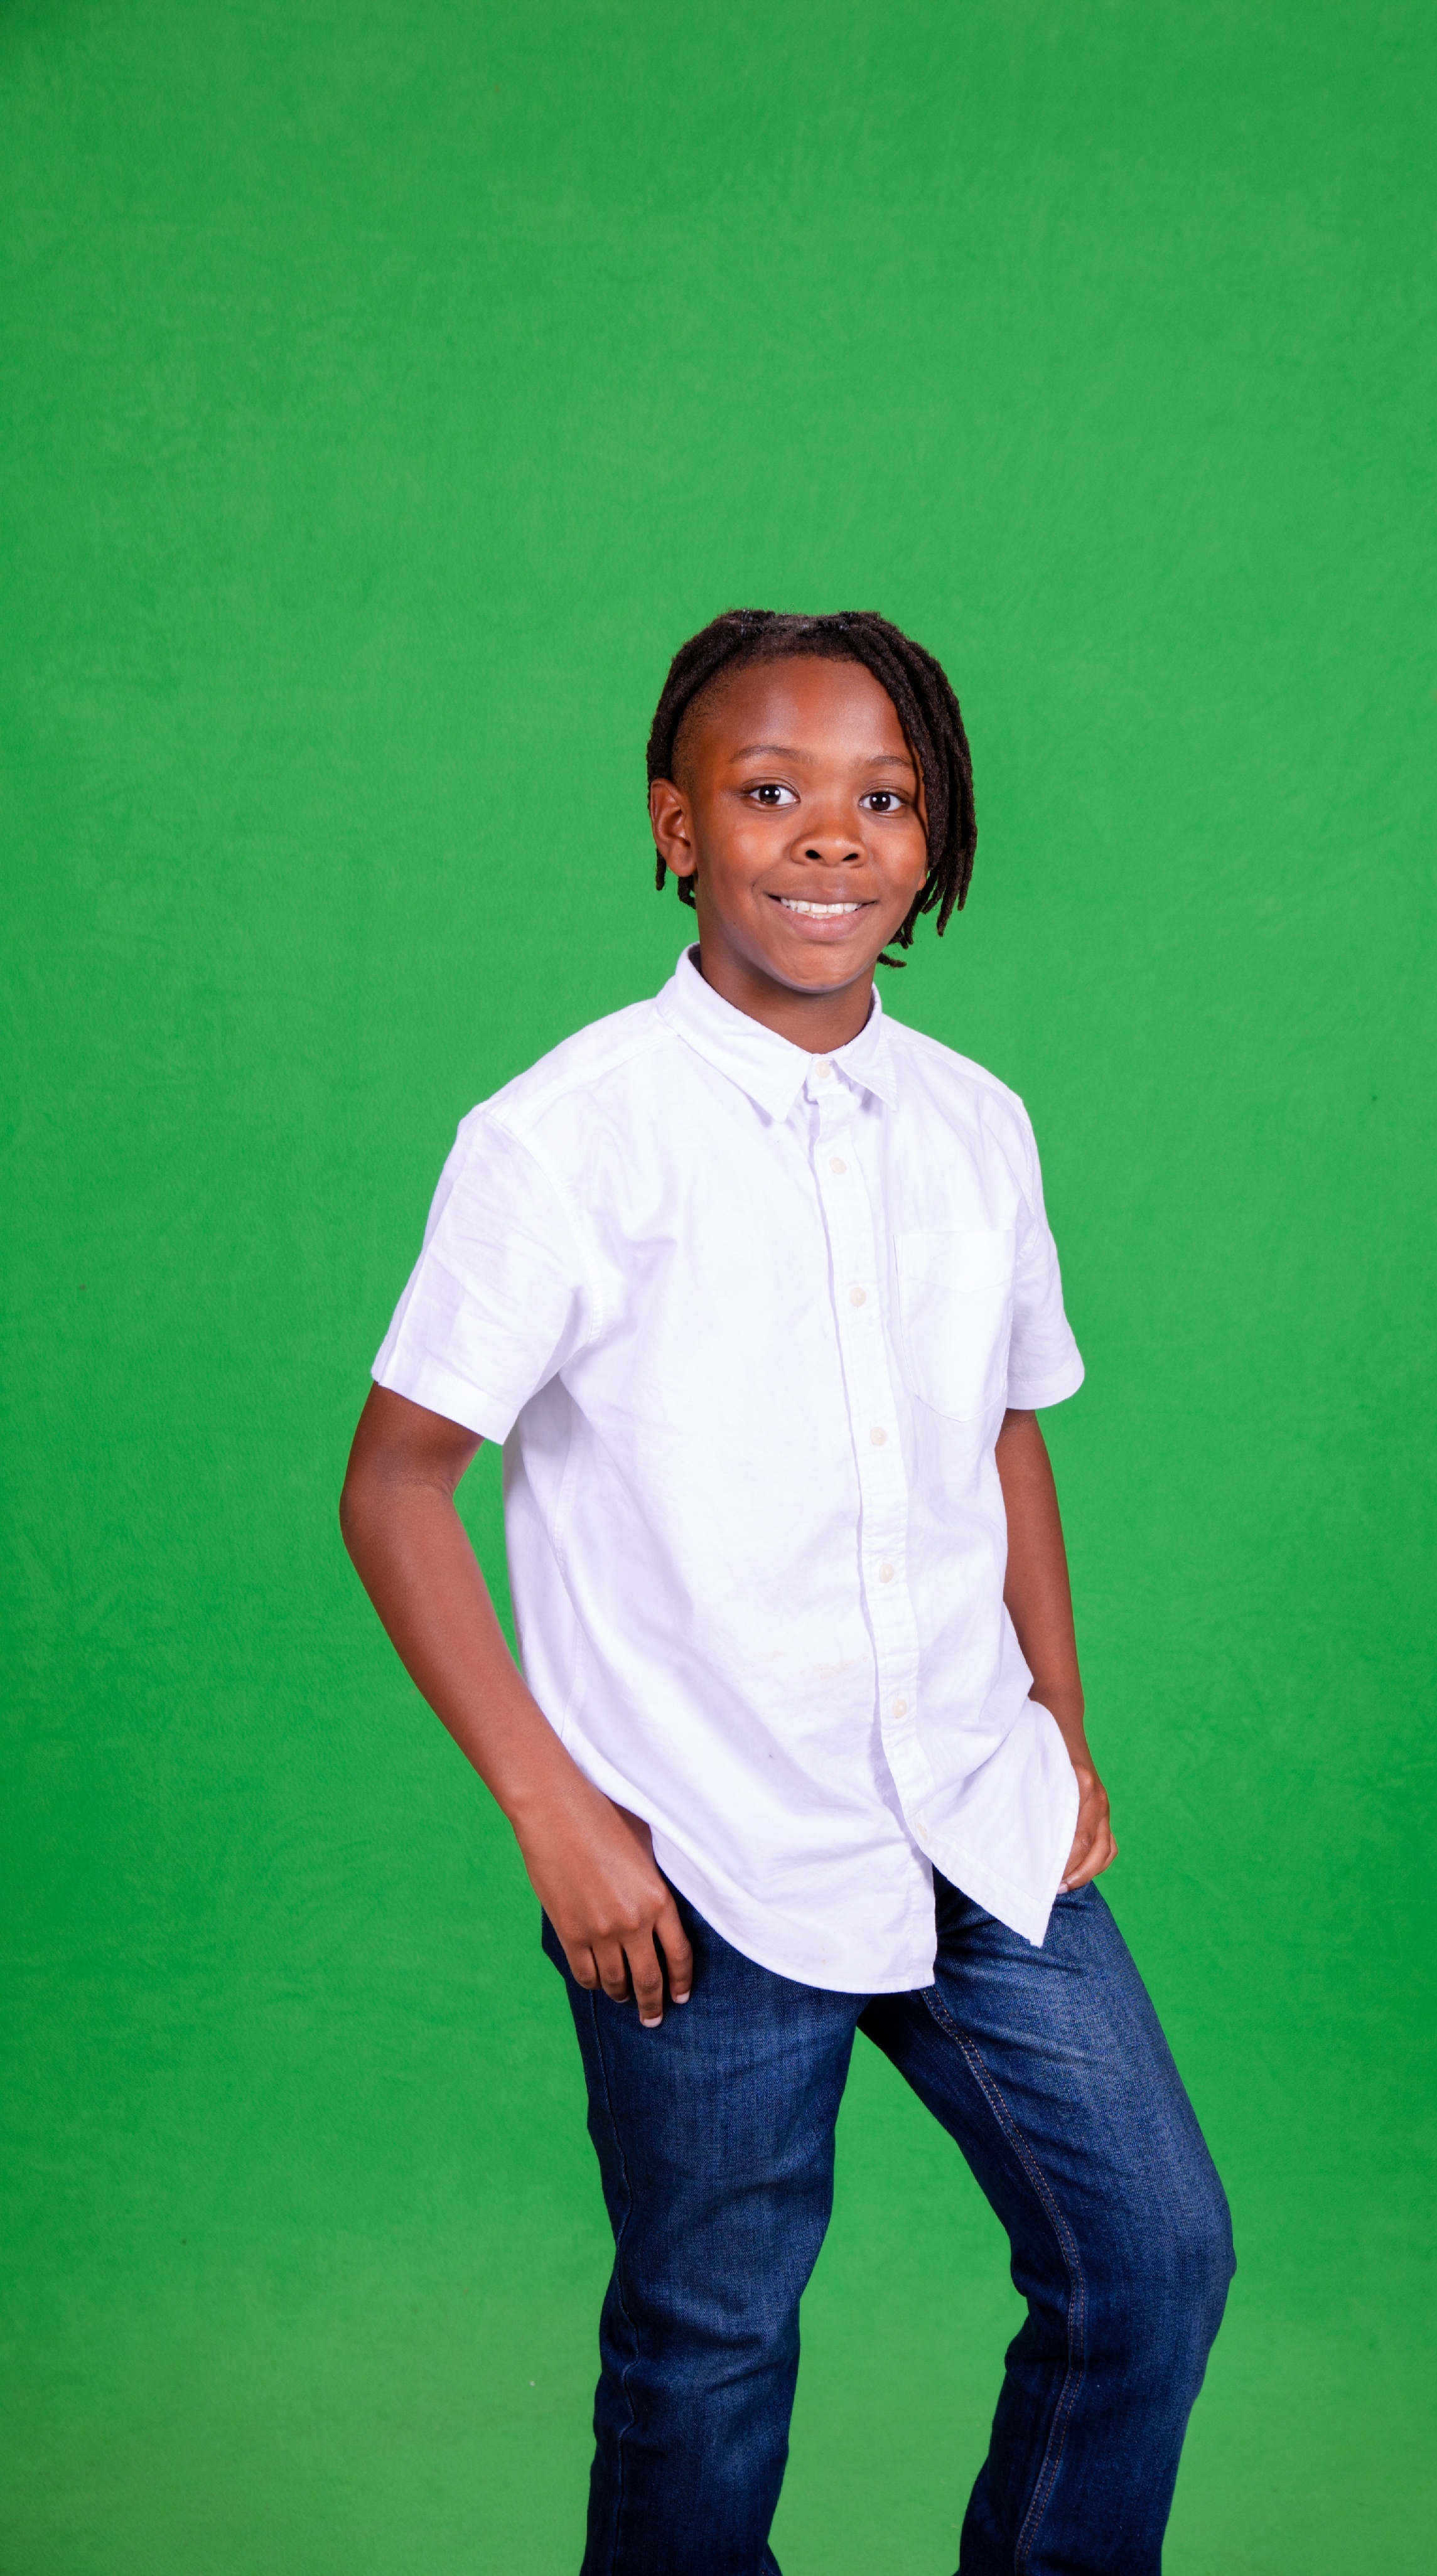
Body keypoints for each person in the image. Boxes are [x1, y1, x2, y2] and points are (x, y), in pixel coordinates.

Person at [340, 608, 1233, 2575]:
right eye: (770, 792)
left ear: (935, 839)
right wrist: (560, 1822)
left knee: (1156, 2258)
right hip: (702, 1856)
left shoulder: (977, 1125)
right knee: (710, 2345)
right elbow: (395, 1487)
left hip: (971, 1809)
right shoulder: (563, 1140)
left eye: (883, 798)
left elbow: (1004, 1432)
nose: (831, 837)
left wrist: (1064, 1725)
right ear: (679, 829)